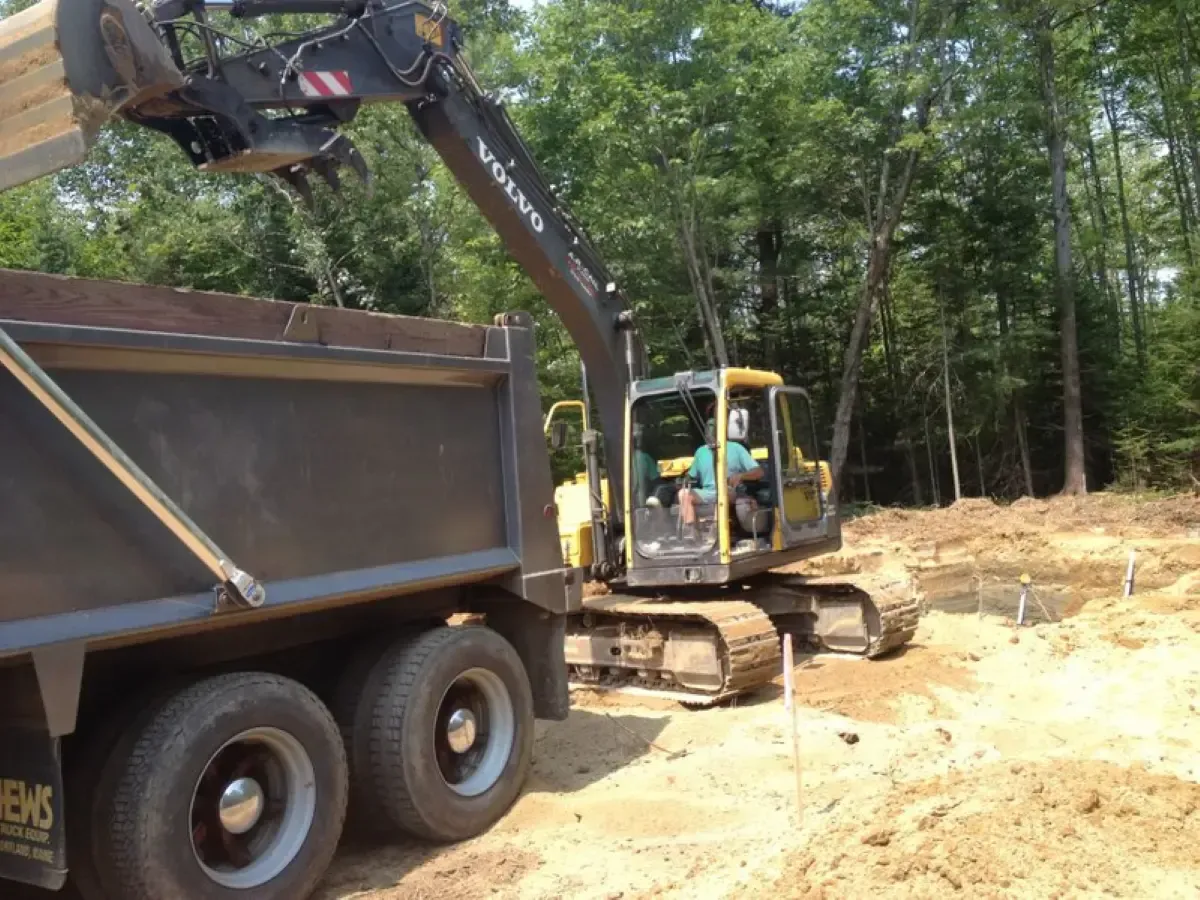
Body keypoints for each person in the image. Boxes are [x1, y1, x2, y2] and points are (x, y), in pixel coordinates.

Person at [679, 412, 764, 533]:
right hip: (706, 493)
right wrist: (684, 479)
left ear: (721, 430)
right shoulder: (700, 452)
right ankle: (690, 531)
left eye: (713, 428)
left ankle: (717, 529)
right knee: (683, 493)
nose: (709, 432)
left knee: (723, 492)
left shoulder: (736, 448)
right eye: (707, 428)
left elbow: (759, 472)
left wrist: (741, 476)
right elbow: (691, 476)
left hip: (729, 491)